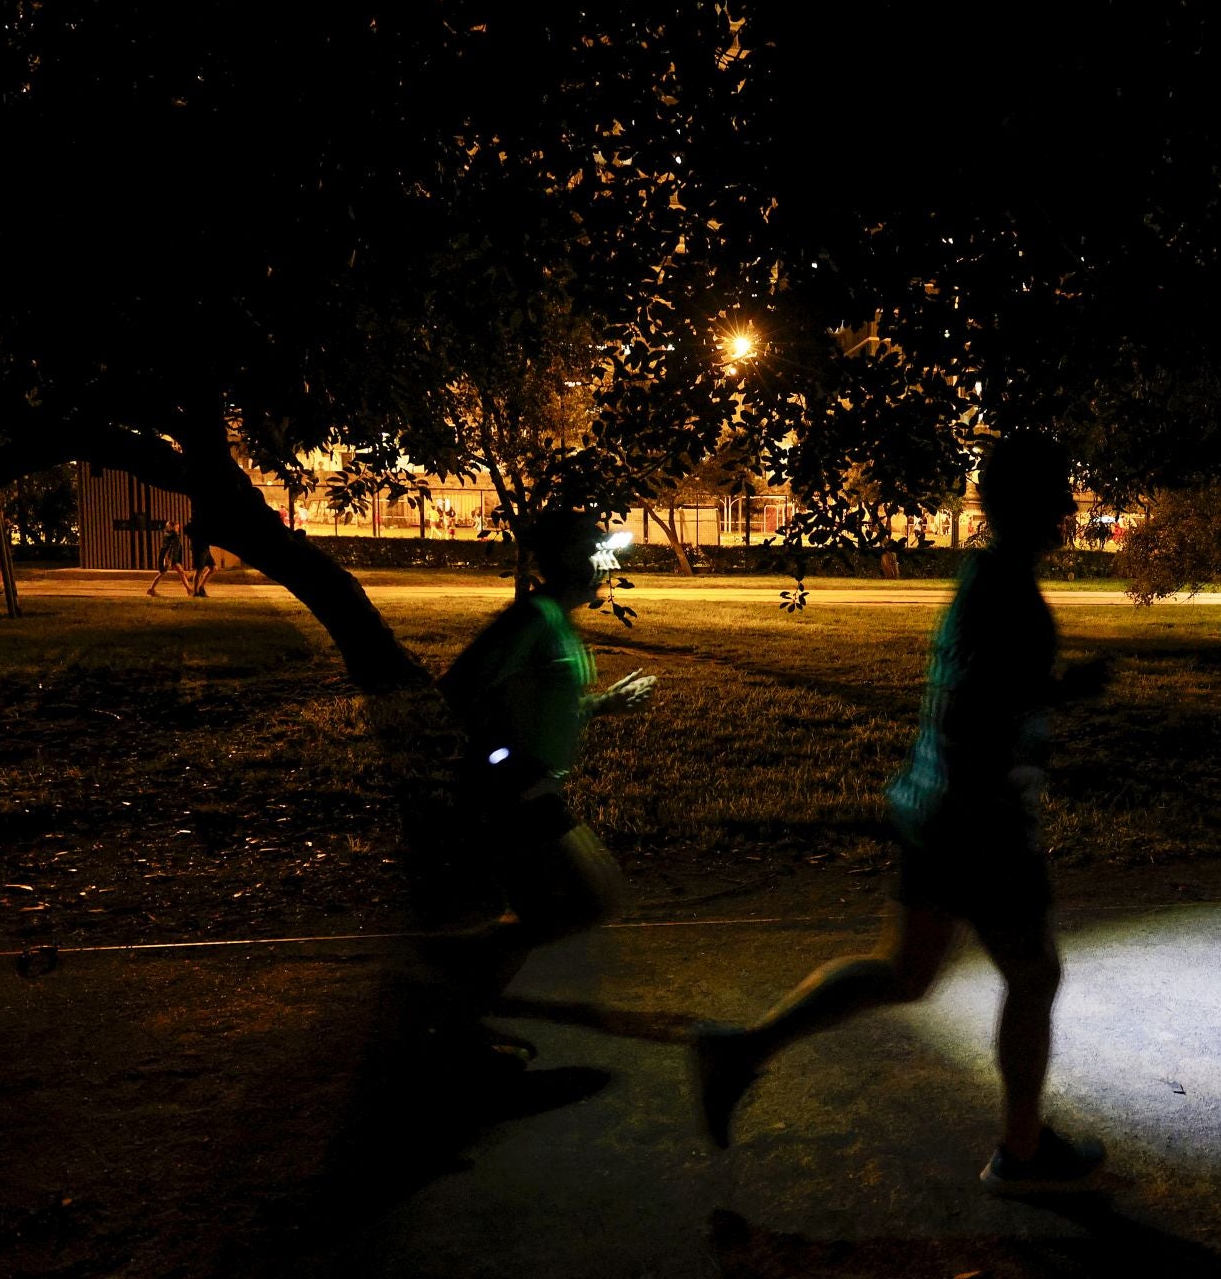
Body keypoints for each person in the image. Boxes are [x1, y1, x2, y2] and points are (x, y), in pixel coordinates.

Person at [692, 434, 1112, 1195]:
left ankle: (742, 1050)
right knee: (1032, 972)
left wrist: (1054, 697)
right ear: (1028, 504)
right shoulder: (1006, 591)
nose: (1065, 508)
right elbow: (987, 706)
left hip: (937, 808)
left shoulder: (986, 576)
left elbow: (982, 692)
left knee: (906, 972)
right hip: (978, 820)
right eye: (1056, 494)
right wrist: (1057, 707)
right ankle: (1021, 1155)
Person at [427, 510, 656, 1071]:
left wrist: (603, 704)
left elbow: (537, 704)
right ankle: (446, 983)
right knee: (586, 899)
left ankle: (454, 1014)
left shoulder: (555, 618)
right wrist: (504, 759)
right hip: (513, 792)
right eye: (594, 555)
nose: (605, 566)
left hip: (531, 787)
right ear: (566, 563)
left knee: (552, 908)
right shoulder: (530, 618)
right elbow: (456, 692)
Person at [146, 520, 190, 597]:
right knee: (180, 573)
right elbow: (171, 548)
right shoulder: (173, 536)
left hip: (169, 557)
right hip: (171, 558)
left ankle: (151, 589)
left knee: (165, 573)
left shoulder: (169, 535)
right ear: (173, 527)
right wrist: (169, 559)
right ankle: (189, 590)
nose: (178, 529)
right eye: (177, 527)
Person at [186, 522, 217, 598]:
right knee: (198, 571)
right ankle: (196, 592)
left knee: (214, 568)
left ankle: (201, 587)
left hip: (206, 550)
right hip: (199, 550)